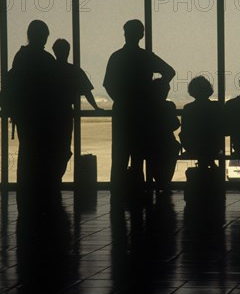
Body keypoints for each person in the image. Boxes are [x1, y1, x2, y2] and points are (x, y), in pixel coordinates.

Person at [103, 19, 175, 195]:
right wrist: (156, 89)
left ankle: (118, 194)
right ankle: (138, 192)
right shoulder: (146, 57)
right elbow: (169, 71)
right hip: (143, 113)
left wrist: (121, 99)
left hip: (122, 112)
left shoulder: (116, 57)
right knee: (138, 156)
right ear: (141, 35)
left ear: (125, 33)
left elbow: (108, 84)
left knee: (119, 156)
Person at [2, 20, 66, 215]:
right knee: (43, 157)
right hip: (44, 118)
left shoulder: (20, 57)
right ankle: (43, 196)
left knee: (28, 154)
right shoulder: (46, 59)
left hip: (26, 117)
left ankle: (27, 195)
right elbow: (55, 89)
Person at [52, 38, 101, 178]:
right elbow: (87, 92)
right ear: (68, 52)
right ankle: (57, 177)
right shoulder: (74, 70)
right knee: (64, 149)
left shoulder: (48, 70)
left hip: (49, 115)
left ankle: (52, 179)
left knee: (52, 149)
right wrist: (96, 108)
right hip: (66, 114)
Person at [179, 76, 224, 170]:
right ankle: (211, 167)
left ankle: (204, 169)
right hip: (213, 146)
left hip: (194, 147)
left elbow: (184, 132)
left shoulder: (188, 108)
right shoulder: (215, 106)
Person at [144, 78, 180, 192]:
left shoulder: (147, 106)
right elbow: (175, 124)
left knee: (153, 156)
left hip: (149, 142)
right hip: (167, 140)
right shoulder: (169, 106)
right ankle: (164, 181)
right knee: (173, 149)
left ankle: (160, 181)